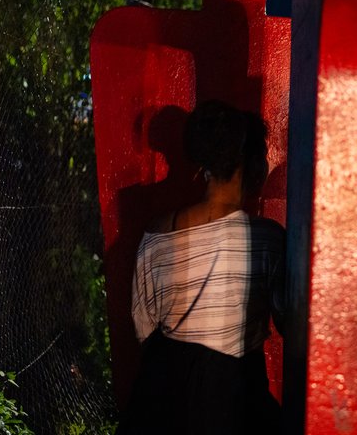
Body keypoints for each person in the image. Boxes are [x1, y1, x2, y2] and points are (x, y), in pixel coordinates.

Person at [117, 100, 285, 434]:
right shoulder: (268, 239)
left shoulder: (155, 234)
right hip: (237, 404)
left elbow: (143, 327)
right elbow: (291, 322)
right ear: (251, 164)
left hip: (161, 404)